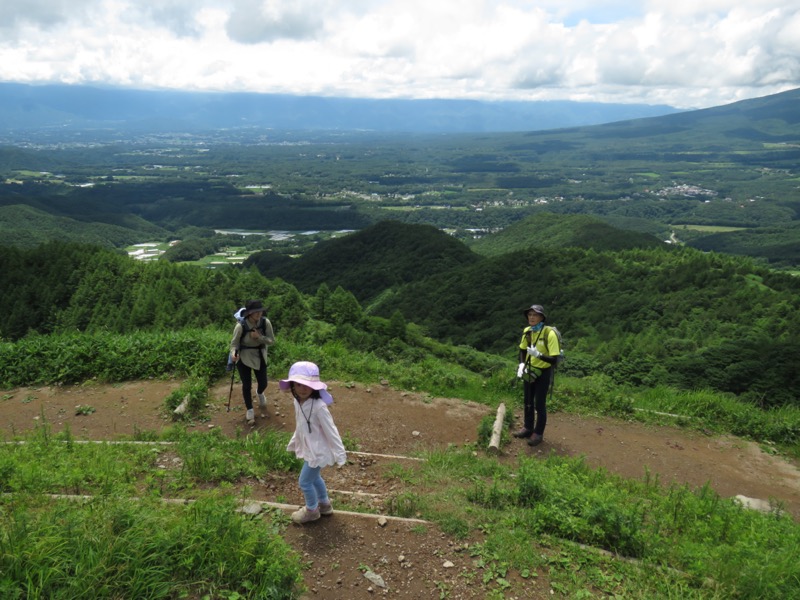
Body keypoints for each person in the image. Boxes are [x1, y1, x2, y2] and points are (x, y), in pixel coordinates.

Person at [281, 361, 347, 524]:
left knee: (304, 481)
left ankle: (312, 510)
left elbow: (331, 430)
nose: (303, 389)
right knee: (314, 477)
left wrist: (340, 453)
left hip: (318, 451)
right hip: (309, 448)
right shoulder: (298, 402)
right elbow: (301, 425)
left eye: (307, 385)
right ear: (293, 386)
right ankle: (324, 505)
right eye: (298, 384)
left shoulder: (319, 406)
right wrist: (295, 441)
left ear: (314, 387)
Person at [514, 304, 560, 446]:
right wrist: (522, 364)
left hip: (544, 372)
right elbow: (522, 350)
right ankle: (528, 428)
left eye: (535, 315)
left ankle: (538, 433)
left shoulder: (549, 334)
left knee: (539, 404)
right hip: (530, 370)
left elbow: (554, 359)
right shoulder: (527, 331)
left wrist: (539, 355)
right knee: (527, 401)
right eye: (530, 315)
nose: (532, 317)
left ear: (541, 317)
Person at [229, 299, 275, 425]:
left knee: (263, 383)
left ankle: (260, 393)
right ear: (249, 313)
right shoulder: (240, 326)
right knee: (246, 385)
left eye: (260, 311)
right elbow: (234, 344)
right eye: (255, 312)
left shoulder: (265, 323)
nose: (259, 314)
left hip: (260, 355)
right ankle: (250, 409)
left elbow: (271, 341)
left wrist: (259, 338)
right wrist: (233, 354)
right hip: (243, 357)